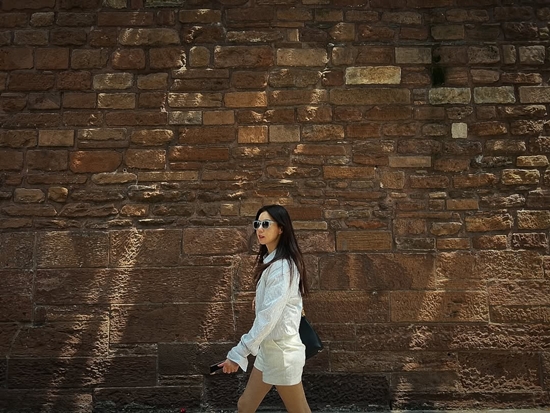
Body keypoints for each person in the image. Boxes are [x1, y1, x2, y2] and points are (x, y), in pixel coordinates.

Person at [218, 204, 311, 413]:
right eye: (257, 224)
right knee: (245, 405)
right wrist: (261, 300)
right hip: (268, 351)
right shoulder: (272, 261)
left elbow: (267, 318)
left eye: (266, 224)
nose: (260, 229)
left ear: (281, 228)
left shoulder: (282, 267)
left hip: (282, 354)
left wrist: (238, 353)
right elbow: (276, 304)